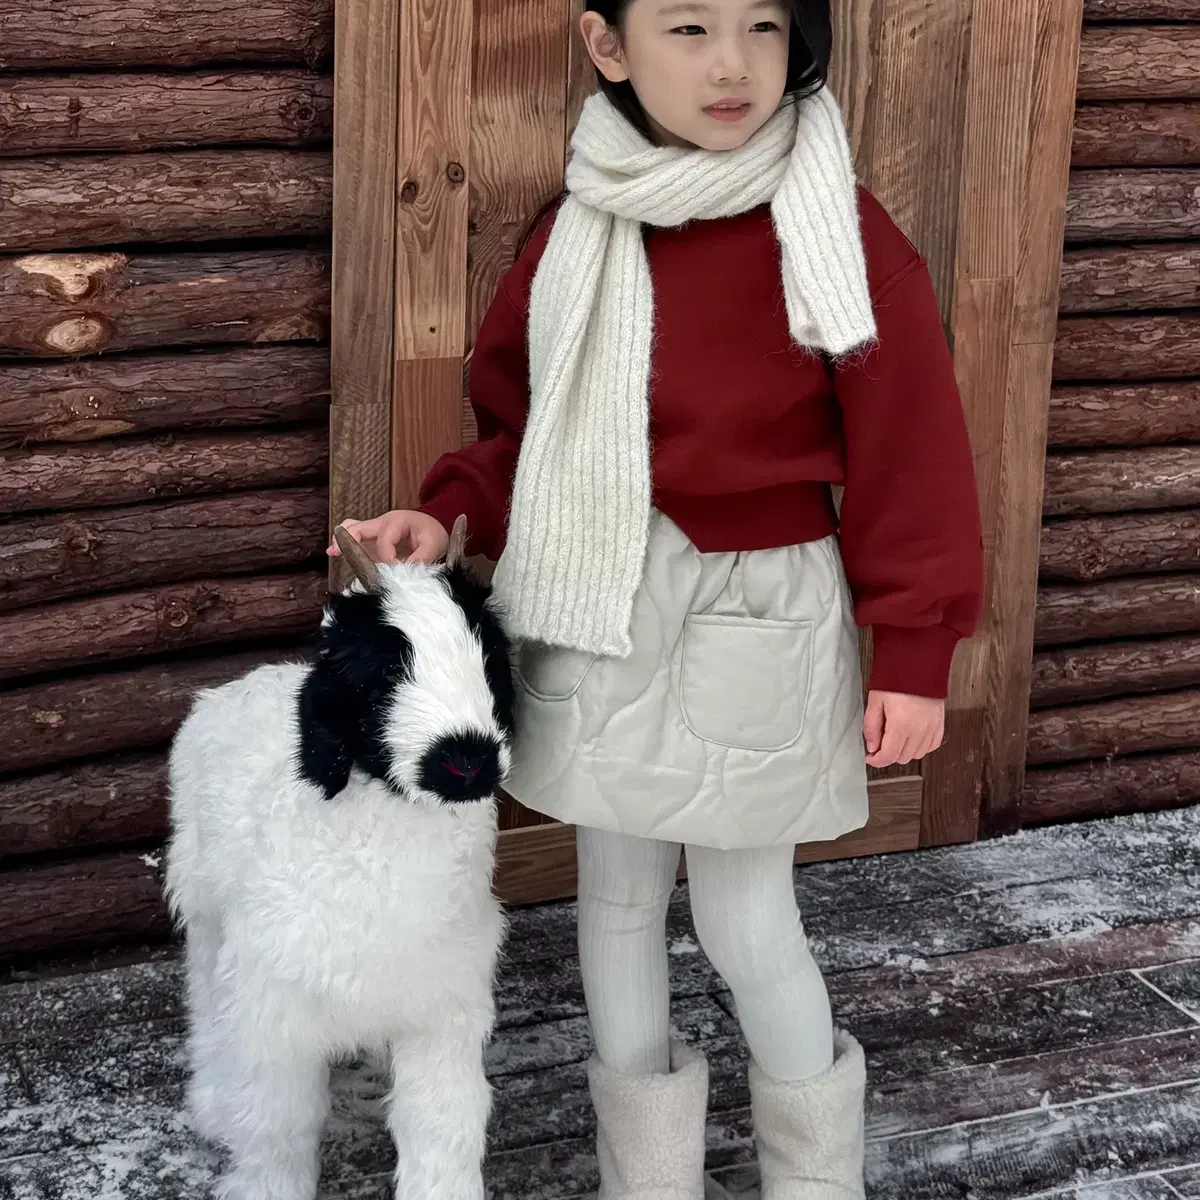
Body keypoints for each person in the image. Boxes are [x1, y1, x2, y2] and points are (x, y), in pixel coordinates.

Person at [331, 0, 984, 1194]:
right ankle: (650, 1181)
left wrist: (915, 650)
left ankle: (815, 1180)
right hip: (598, 596)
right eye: (687, 27)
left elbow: (914, 449)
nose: (730, 64)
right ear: (609, 47)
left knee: (745, 920)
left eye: (762, 27)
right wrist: (449, 508)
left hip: (760, 610)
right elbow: (520, 420)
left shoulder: (839, 231)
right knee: (618, 905)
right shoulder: (576, 230)